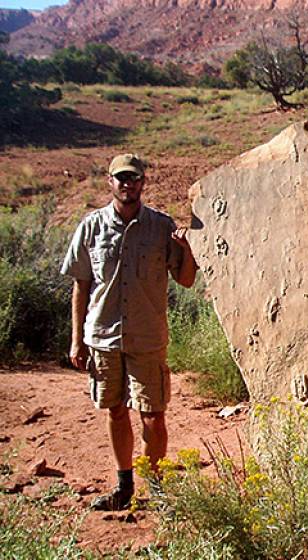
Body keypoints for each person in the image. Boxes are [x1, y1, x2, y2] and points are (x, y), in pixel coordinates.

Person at [61, 153, 197, 511]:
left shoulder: (161, 226)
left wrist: (187, 251)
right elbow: (81, 286)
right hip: (103, 336)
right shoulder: (91, 227)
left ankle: (158, 489)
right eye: (121, 178)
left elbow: (185, 280)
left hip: (147, 337)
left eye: (134, 178)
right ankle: (124, 488)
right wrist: (77, 339)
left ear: (143, 182)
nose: (127, 184)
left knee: (153, 415)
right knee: (116, 411)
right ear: (110, 182)